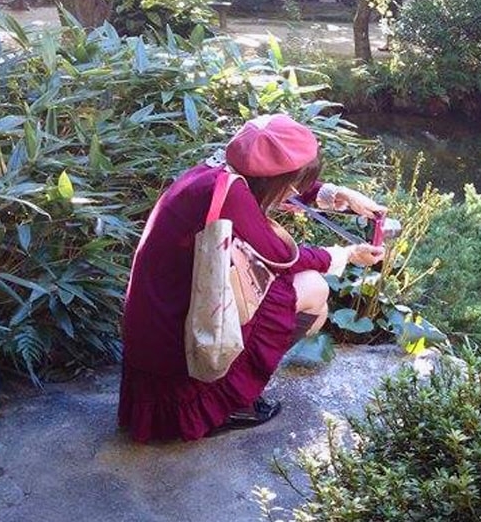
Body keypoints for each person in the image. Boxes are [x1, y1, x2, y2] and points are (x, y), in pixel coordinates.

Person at [118, 114, 385, 443]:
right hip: (180, 332)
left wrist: (335, 195)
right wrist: (345, 255)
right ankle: (227, 398)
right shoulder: (231, 196)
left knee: (305, 297)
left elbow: (273, 188)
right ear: (278, 178)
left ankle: (229, 388)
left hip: (158, 318)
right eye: (295, 181)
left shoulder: (217, 171)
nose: (295, 190)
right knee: (315, 293)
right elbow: (283, 258)